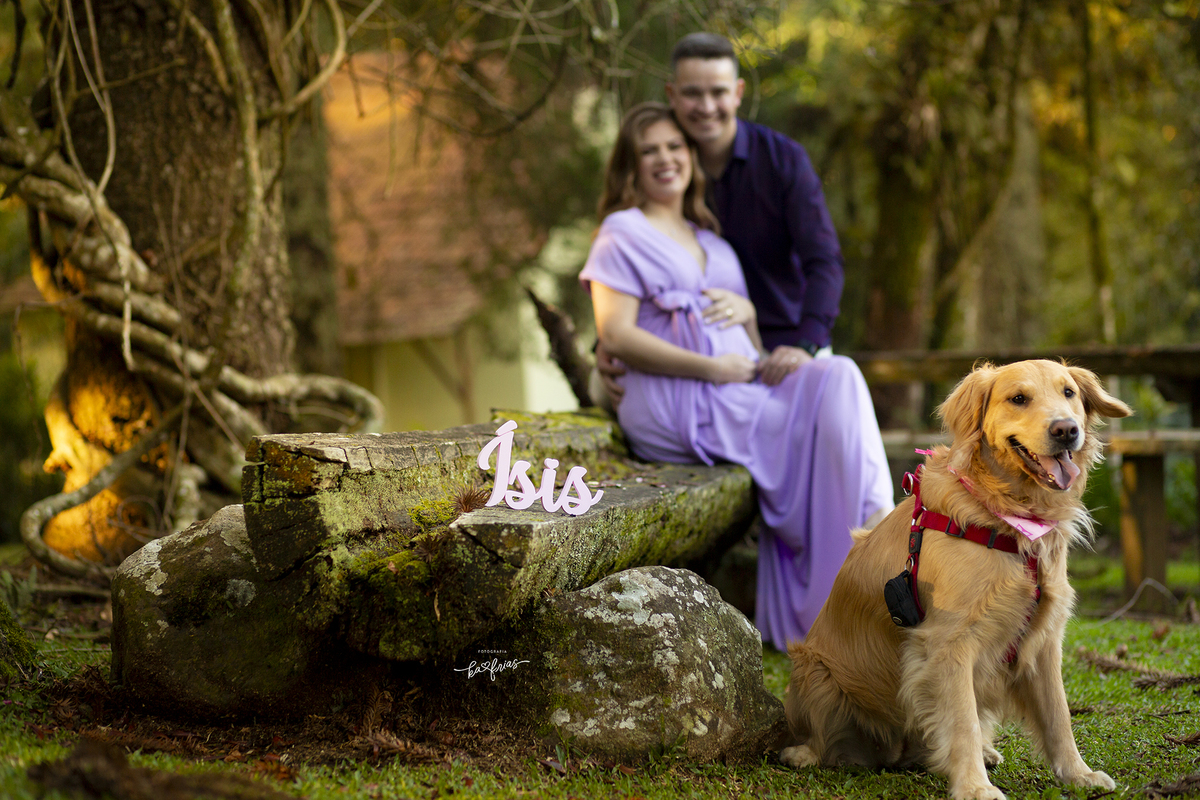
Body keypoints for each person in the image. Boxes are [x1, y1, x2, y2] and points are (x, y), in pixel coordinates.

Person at [580, 102, 893, 651]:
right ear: (630, 164)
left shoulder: (713, 239)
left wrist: (749, 321)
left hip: (737, 384)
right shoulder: (621, 231)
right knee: (815, 432)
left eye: (674, 147)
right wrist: (711, 368)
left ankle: (876, 528)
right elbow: (618, 335)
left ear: (692, 158)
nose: (665, 159)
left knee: (836, 372)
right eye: (648, 150)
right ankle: (865, 568)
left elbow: (747, 351)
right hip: (677, 398)